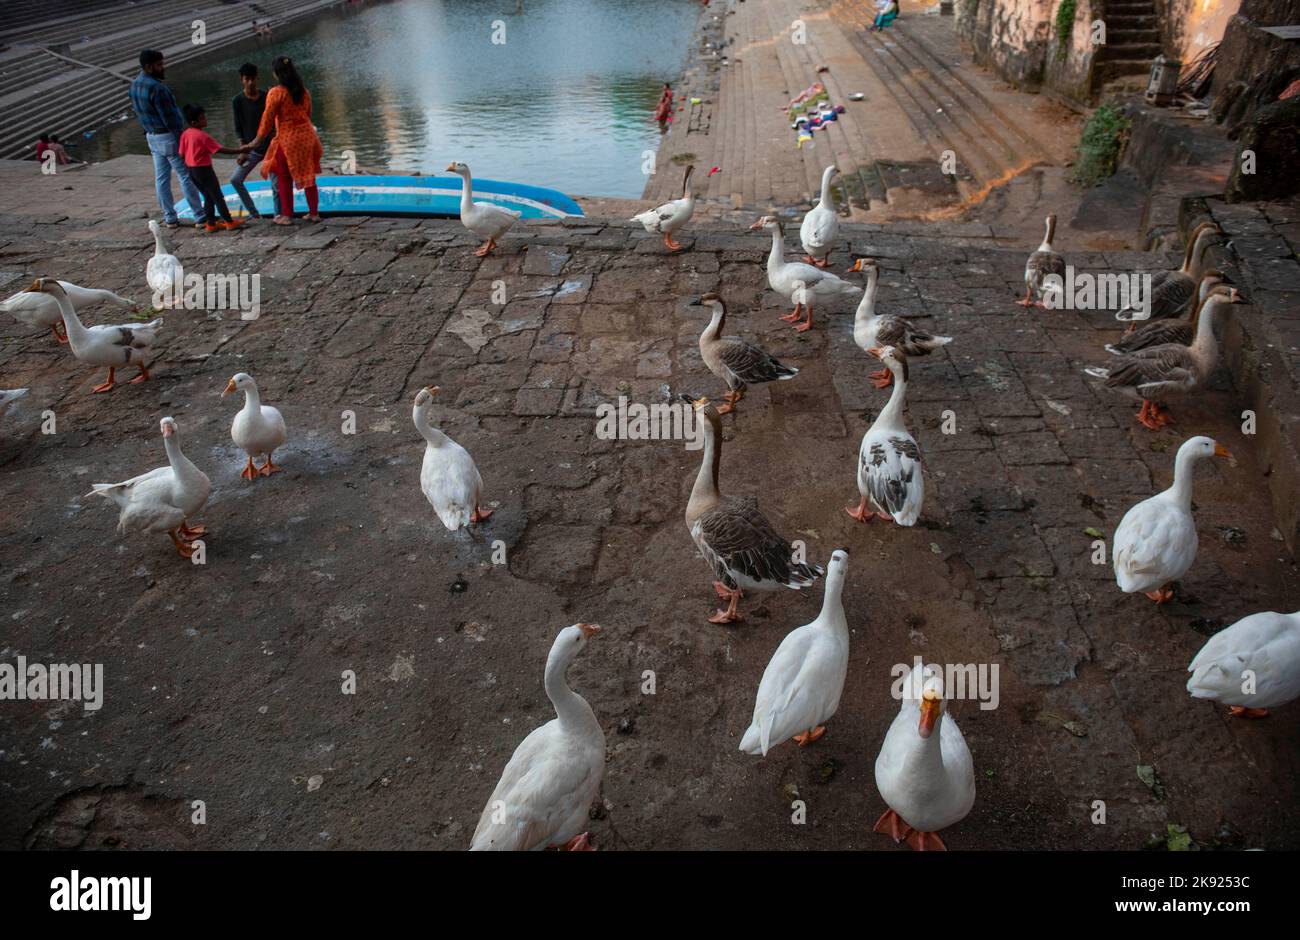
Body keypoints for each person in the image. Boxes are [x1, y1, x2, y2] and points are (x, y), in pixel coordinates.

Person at [242, 56, 324, 225]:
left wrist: (256, 140)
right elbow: (308, 113)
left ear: (276, 73)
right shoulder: (303, 91)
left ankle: (287, 215)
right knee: (309, 174)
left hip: (288, 138)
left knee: (283, 175)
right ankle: (314, 213)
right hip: (308, 136)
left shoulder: (276, 93)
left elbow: (267, 119)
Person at [129, 49, 205, 229]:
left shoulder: (134, 85)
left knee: (161, 178)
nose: (163, 67)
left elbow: (138, 113)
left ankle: (170, 217)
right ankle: (200, 216)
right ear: (149, 67)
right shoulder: (158, 88)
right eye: (159, 65)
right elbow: (170, 119)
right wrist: (182, 142)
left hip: (152, 136)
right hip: (168, 137)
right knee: (185, 176)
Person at [179, 104, 246, 232]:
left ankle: (211, 223)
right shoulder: (202, 136)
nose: (205, 120)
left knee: (207, 196)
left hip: (192, 170)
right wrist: (240, 150)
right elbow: (220, 149)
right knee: (217, 196)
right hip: (204, 170)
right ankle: (229, 221)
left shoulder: (185, 134)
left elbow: (181, 154)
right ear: (194, 122)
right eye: (202, 118)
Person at [229, 63, 280, 219]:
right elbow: (238, 128)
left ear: (257, 78)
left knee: (276, 185)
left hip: (271, 148)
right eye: (247, 79)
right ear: (242, 80)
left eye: (253, 79)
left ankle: (279, 215)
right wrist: (243, 150)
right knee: (236, 179)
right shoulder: (237, 100)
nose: (250, 82)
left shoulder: (267, 96)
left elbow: (275, 120)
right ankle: (254, 214)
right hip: (251, 149)